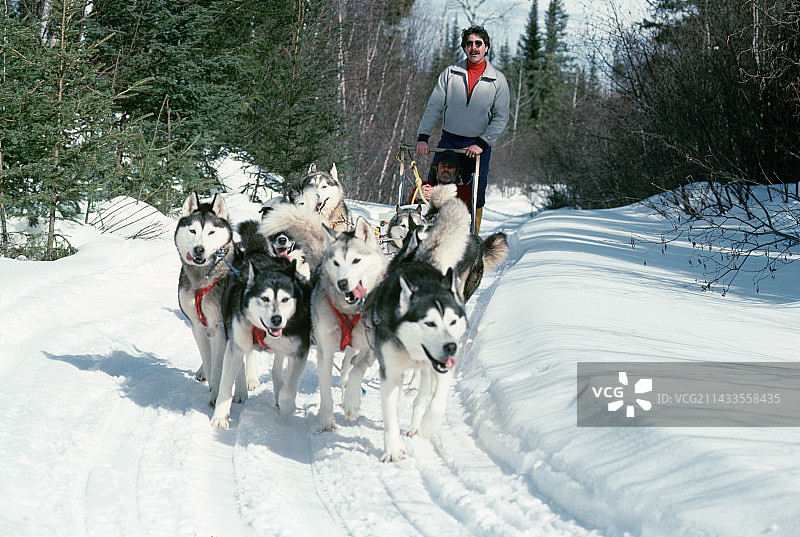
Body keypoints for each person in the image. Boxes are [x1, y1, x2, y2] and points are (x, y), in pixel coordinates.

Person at [415, 25, 510, 235]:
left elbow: (501, 118)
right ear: (464, 47)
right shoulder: (451, 73)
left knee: (475, 193)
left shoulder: (497, 80)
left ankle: (472, 235)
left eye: (478, 43)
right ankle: (430, 230)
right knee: (434, 184)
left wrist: (482, 143)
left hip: (478, 145)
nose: (474, 47)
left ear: (486, 47)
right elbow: (434, 106)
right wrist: (423, 137)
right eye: (469, 43)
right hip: (449, 141)